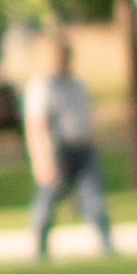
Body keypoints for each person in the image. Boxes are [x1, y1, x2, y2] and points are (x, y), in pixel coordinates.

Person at [23, 35, 114, 256]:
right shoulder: (43, 87)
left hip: (82, 148)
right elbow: (37, 124)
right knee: (48, 197)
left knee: (93, 195)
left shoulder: (78, 86)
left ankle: (106, 245)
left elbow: (85, 119)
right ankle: (39, 248)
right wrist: (41, 158)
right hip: (56, 150)